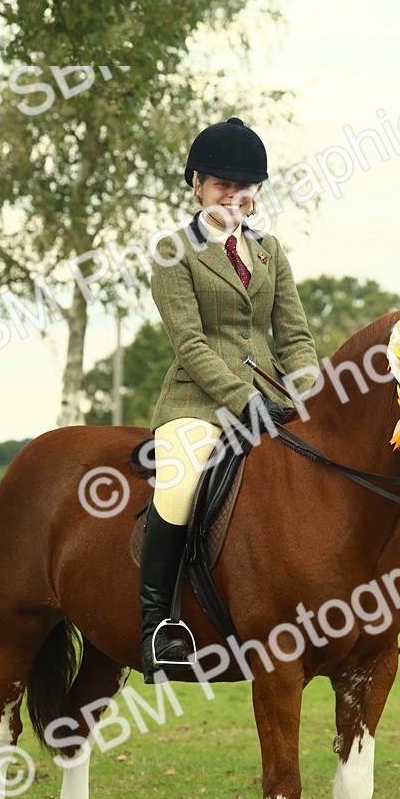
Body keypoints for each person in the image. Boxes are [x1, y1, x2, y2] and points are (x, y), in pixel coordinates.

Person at [139, 116, 320, 678]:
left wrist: (313, 393)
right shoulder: (175, 251)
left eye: (244, 187)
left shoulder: (270, 250)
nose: (234, 196)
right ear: (197, 185)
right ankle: (157, 627)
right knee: (180, 486)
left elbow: (293, 335)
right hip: (197, 403)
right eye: (222, 185)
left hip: (272, 399)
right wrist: (243, 400)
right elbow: (191, 344)